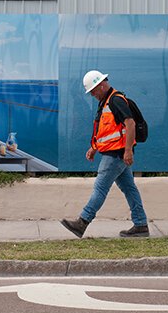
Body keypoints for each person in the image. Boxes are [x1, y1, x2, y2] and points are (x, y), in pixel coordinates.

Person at [61, 70, 149, 238]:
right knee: (130, 189)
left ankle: (82, 223)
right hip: (115, 153)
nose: (92, 95)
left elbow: (129, 124)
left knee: (100, 188)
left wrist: (128, 150)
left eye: (93, 91)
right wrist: (94, 147)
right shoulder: (106, 102)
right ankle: (141, 225)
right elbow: (107, 130)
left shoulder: (116, 100)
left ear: (101, 86)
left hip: (116, 155)